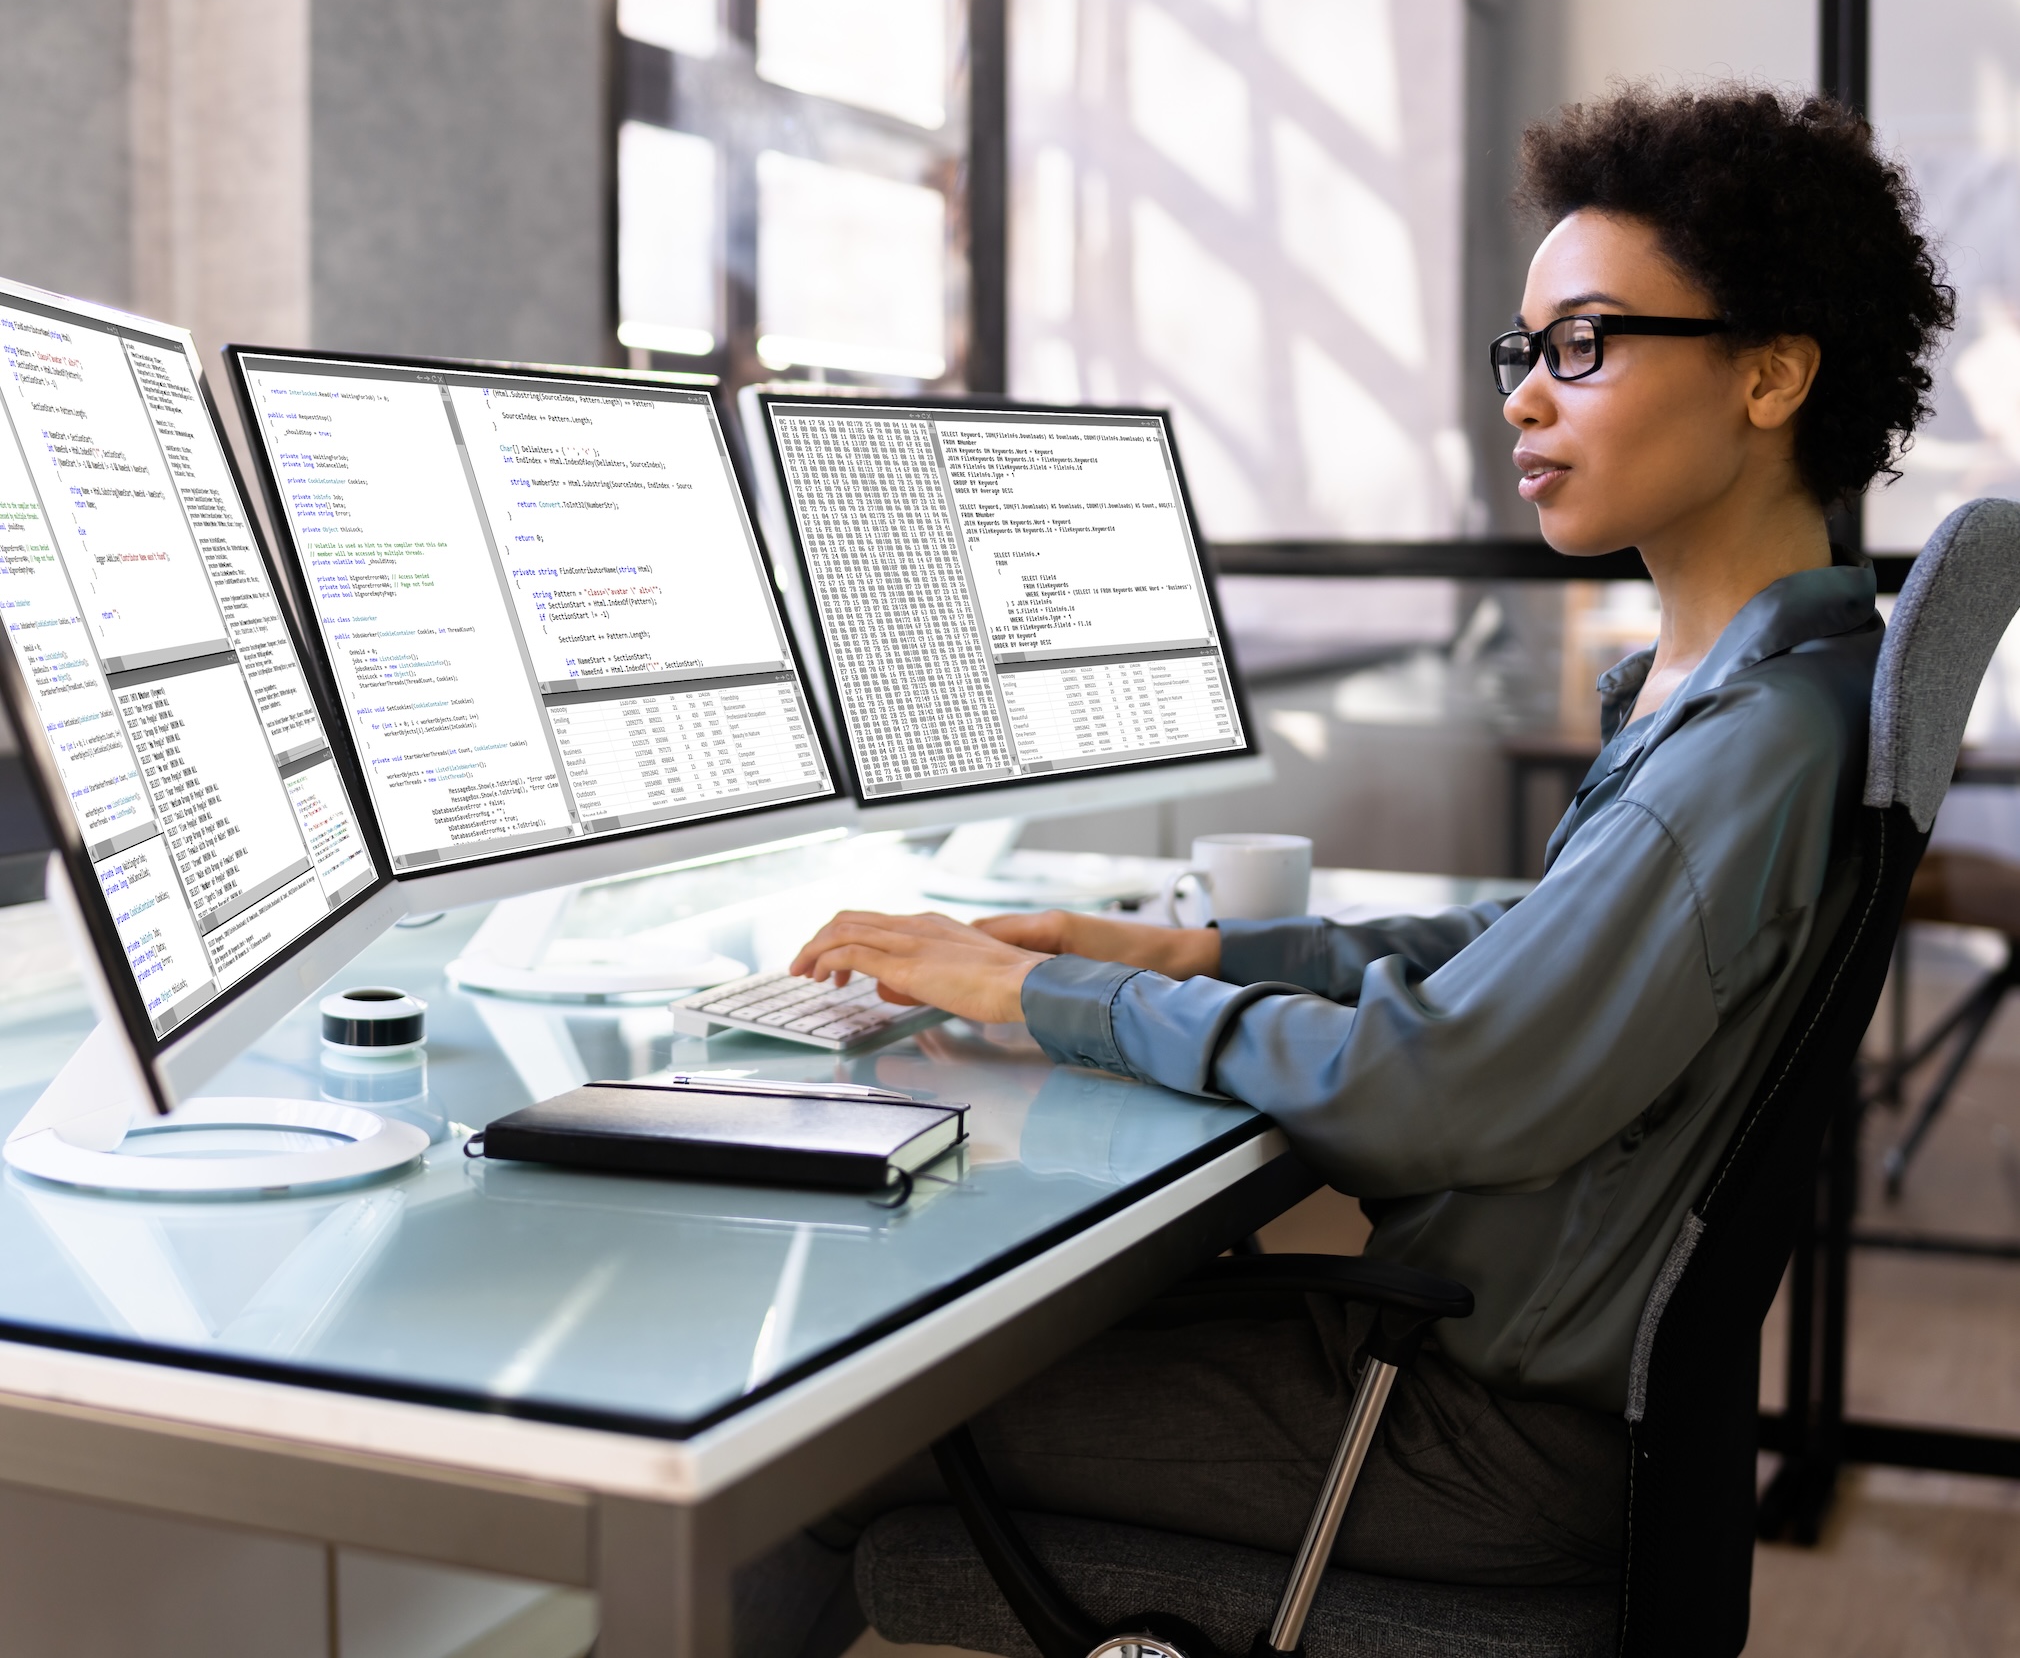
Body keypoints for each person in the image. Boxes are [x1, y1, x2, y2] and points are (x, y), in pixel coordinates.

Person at [759, 85, 1950, 1648]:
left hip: (1475, 1428)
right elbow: (1526, 951)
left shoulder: (1749, 749)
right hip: (1495, 1379)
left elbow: (1441, 1088)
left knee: (822, 1421)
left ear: (1772, 374)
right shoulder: (1760, 687)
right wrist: (1195, 960)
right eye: (1522, 352)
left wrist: (1037, 993)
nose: (1526, 398)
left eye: (1585, 343)